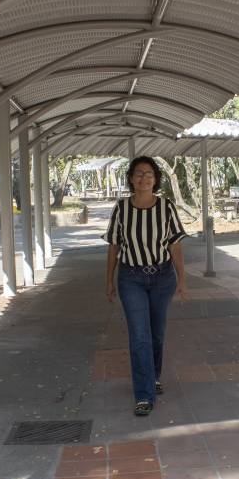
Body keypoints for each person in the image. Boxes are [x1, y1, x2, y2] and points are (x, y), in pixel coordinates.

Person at [103, 156, 187, 416]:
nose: (144, 178)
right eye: (139, 174)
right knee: (139, 336)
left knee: (157, 333)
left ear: (156, 179)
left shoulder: (166, 207)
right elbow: (114, 246)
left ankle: (154, 376)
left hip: (162, 278)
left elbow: (175, 244)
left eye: (149, 174)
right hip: (131, 278)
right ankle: (144, 394)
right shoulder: (122, 209)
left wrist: (182, 280)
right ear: (131, 178)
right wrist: (109, 281)